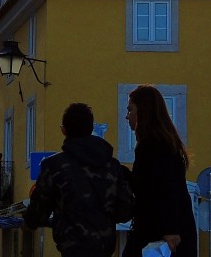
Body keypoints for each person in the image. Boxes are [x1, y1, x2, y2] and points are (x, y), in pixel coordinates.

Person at [23, 103, 134, 257]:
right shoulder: (112, 166)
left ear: (64, 130)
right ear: (91, 128)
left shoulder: (54, 166)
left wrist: (33, 221)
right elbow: (125, 211)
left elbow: (37, 214)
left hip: (72, 248)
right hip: (105, 248)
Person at [123, 85, 197, 257]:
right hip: (160, 229)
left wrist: (170, 229)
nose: (127, 116)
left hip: (160, 234)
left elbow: (167, 187)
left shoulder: (153, 145)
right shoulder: (162, 143)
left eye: (130, 109)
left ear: (142, 111)